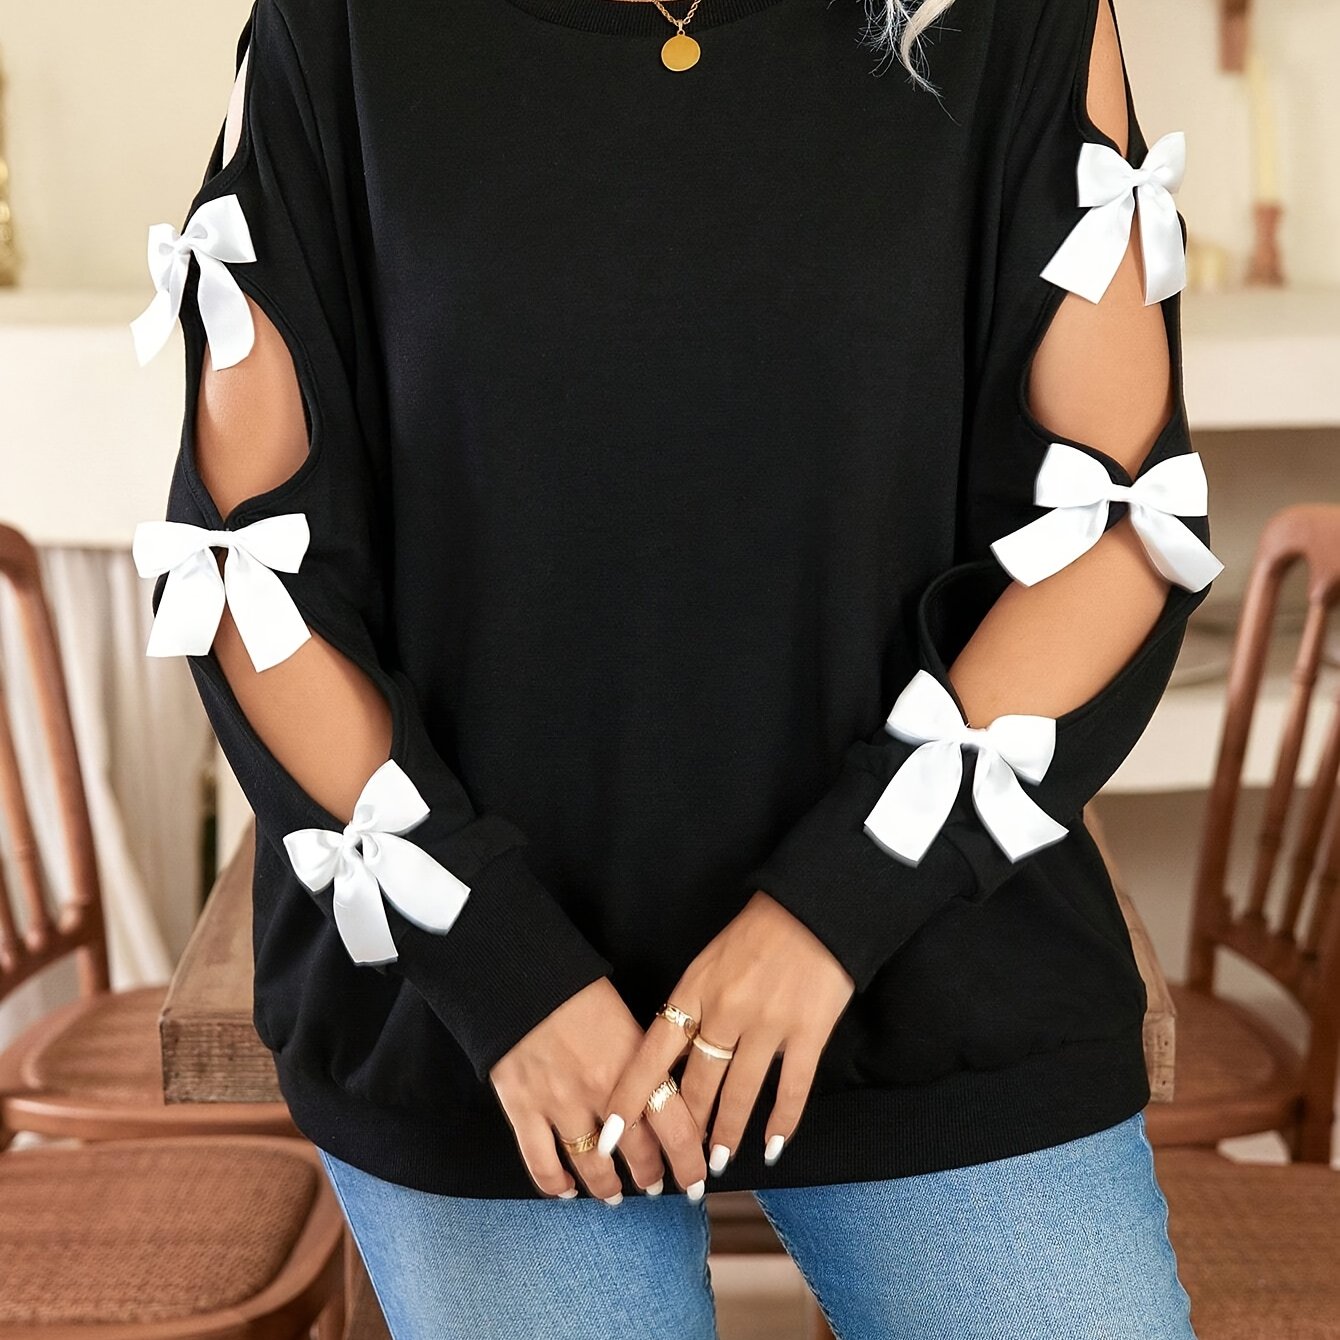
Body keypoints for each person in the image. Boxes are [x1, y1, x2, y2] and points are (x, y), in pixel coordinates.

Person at [130, 0, 1220, 1333]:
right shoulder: (339, 27)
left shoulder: (1022, 17)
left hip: (933, 957)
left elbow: (1118, 524)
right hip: (482, 1010)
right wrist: (497, 962)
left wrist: (837, 907)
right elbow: (248, 568)